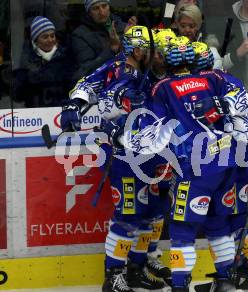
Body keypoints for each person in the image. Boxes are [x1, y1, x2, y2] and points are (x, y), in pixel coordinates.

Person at [61, 26, 167, 292]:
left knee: (152, 213)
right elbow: (90, 87)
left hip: (152, 154)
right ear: (138, 50)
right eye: (149, 50)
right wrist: (75, 106)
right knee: (127, 216)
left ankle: (136, 268)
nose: (155, 55)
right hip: (124, 157)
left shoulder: (148, 72)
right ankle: (114, 276)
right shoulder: (118, 70)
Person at [191, 41, 248, 292]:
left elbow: (239, 120)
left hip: (232, 164)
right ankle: (231, 276)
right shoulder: (197, 84)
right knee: (220, 222)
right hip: (216, 165)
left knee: (230, 221)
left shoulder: (223, 81)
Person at [13, 16, 73, 107]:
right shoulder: (27, 60)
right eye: (45, 37)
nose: (50, 40)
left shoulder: (65, 57)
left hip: (61, 110)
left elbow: (73, 87)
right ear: (36, 41)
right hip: (36, 115)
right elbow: (17, 95)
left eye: (52, 36)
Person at [71, 0, 134, 82]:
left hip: (129, 79)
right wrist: (111, 49)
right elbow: (85, 71)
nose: (101, 12)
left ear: (109, 7)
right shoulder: (80, 35)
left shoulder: (124, 27)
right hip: (102, 85)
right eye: (96, 8)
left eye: (104, 6)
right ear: (89, 12)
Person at [173, 4, 223, 69]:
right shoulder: (168, 46)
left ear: (198, 26)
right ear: (177, 25)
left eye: (191, 26)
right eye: (183, 26)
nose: (187, 30)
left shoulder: (210, 50)